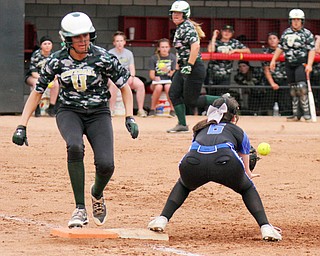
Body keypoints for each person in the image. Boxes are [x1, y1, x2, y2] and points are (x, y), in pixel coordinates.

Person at [12, 12, 139, 228]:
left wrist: (130, 116)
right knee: (74, 146)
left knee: (106, 165)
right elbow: (38, 91)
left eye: (86, 36)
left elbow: (124, 87)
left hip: (98, 113)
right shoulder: (56, 60)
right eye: (78, 37)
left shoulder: (103, 57)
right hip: (69, 111)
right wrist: (22, 125)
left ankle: (96, 194)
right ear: (67, 39)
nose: (83, 40)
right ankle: (80, 208)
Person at [147, 96, 282, 242]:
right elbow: (245, 167)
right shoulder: (237, 130)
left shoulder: (200, 128)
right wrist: (240, 176)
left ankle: (162, 219)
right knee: (247, 188)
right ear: (234, 116)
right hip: (225, 162)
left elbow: (198, 149)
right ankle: (266, 227)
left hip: (192, 162)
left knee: (183, 185)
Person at [167, 0, 220, 133]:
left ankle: (223, 100)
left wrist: (189, 65)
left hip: (194, 66)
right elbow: (181, 50)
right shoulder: (180, 28)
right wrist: (180, 65)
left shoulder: (187, 27)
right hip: (184, 66)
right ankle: (182, 124)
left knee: (192, 101)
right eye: (174, 13)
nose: (175, 15)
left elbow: (195, 46)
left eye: (179, 13)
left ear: (185, 14)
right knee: (174, 93)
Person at [270, 9, 315, 121]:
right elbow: (280, 47)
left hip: (301, 63)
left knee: (301, 87)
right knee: (293, 89)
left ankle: (307, 114)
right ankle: (296, 114)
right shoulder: (286, 33)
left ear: (302, 21)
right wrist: (273, 60)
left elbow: (312, 50)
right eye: (294, 20)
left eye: (298, 20)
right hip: (289, 63)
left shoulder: (307, 34)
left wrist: (309, 65)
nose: (296, 22)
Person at [108, 31, 147, 117]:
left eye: (121, 41)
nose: (119, 43)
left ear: (124, 42)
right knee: (114, 85)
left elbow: (131, 67)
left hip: (126, 76)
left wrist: (131, 77)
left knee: (140, 84)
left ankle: (140, 110)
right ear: (114, 43)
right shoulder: (110, 53)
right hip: (114, 77)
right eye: (117, 41)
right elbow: (109, 70)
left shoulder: (129, 53)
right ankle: (111, 110)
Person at [206, 25, 251, 93]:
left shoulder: (234, 42)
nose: (227, 33)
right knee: (211, 96)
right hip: (212, 74)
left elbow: (248, 51)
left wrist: (235, 50)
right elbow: (210, 50)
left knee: (222, 97)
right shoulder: (216, 41)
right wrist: (214, 36)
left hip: (225, 75)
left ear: (232, 33)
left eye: (229, 32)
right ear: (221, 32)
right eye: (225, 31)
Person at [25, 36, 59, 117]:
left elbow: (57, 72)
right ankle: (36, 108)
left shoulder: (54, 56)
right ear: (41, 45)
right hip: (34, 77)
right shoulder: (36, 55)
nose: (47, 45)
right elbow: (34, 73)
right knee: (37, 83)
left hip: (48, 78)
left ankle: (51, 108)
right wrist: (44, 79)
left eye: (49, 43)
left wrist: (53, 79)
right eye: (45, 44)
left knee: (56, 84)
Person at [262, 32, 290, 115]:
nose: (272, 40)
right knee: (268, 103)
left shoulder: (286, 50)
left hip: (285, 80)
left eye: (274, 38)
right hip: (271, 80)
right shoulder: (265, 52)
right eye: (270, 39)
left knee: (285, 103)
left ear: (278, 40)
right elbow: (266, 69)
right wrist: (272, 83)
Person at [148, 38, 176, 117]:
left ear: (169, 48)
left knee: (168, 87)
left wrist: (167, 71)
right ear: (159, 48)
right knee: (159, 87)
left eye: (166, 47)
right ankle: (152, 109)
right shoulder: (154, 58)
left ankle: (172, 109)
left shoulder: (173, 58)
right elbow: (151, 75)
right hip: (157, 82)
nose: (164, 49)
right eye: (162, 47)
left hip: (168, 81)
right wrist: (155, 78)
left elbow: (173, 73)